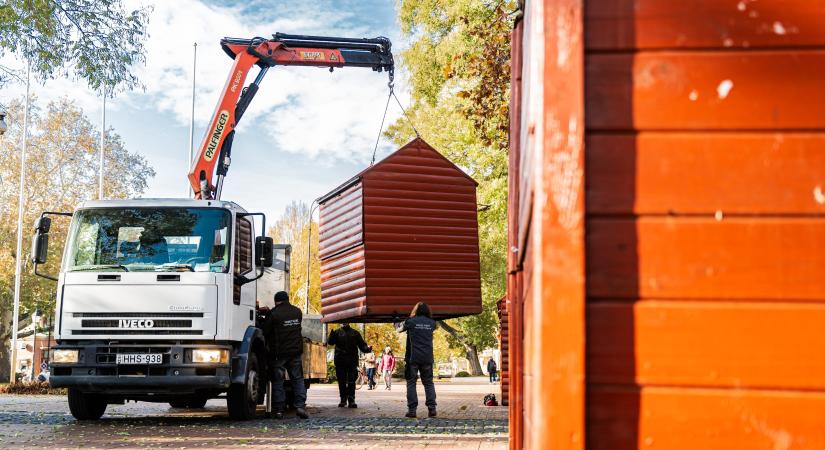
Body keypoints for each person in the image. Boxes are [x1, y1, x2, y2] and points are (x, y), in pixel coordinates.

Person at [260, 291, 309, 419]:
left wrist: (266, 315)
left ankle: (279, 410)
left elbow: (265, 330)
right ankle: (300, 406)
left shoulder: (274, 313)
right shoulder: (297, 311)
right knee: (297, 379)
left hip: (279, 354)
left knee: (278, 381)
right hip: (295, 352)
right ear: (287, 299)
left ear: (276, 301)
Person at [397, 302, 437, 418]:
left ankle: (412, 410)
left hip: (412, 358)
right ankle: (432, 409)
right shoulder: (432, 323)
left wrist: (396, 320)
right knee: (428, 383)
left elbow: (399, 329)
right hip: (427, 358)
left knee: (411, 383)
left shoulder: (410, 321)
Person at [327, 323, 371, 408]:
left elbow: (362, 345)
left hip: (351, 361)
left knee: (351, 381)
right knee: (341, 381)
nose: (344, 322)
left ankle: (351, 400)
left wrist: (367, 349)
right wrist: (331, 335)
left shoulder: (355, 333)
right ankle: (343, 400)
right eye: (342, 321)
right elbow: (330, 343)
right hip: (340, 361)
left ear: (349, 322)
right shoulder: (336, 332)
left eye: (346, 321)